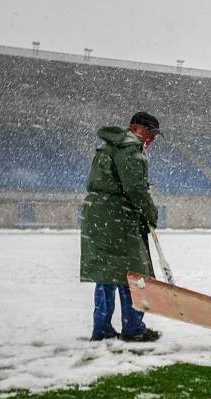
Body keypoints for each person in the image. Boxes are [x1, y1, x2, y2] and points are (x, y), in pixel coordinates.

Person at [80, 112, 163, 342]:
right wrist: (150, 212)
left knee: (106, 273)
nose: (152, 139)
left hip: (98, 215)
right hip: (117, 216)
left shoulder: (108, 145)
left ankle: (102, 328)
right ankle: (133, 327)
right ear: (135, 128)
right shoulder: (129, 147)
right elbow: (135, 189)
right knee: (133, 272)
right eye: (150, 133)